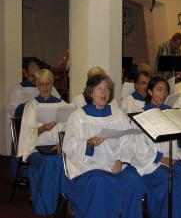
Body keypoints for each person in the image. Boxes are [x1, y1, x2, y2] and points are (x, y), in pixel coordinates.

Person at [63, 74, 145, 218]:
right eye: (99, 88)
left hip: (115, 165)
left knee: (134, 179)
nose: (104, 93)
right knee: (101, 182)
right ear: (90, 92)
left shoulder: (118, 114)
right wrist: (88, 143)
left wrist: (122, 160)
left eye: (107, 89)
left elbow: (128, 139)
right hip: (90, 167)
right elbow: (70, 146)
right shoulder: (79, 117)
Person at [141, 75, 181, 218]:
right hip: (153, 162)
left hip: (173, 158)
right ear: (150, 92)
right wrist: (162, 158)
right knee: (174, 182)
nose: (163, 94)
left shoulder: (170, 111)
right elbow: (139, 146)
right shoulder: (142, 115)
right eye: (159, 90)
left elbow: (178, 142)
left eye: (166, 90)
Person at [17, 69, 67, 215]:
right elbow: (26, 133)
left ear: (52, 85)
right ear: (37, 85)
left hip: (56, 147)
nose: (45, 88)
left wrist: (62, 143)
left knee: (63, 159)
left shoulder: (62, 104)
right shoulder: (31, 106)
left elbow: (69, 129)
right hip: (35, 148)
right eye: (41, 84)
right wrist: (42, 129)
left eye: (48, 84)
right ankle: (50, 207)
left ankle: (63, 203)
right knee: (50, 162)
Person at [7, 60, 60, 186]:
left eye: (47, 84)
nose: (44, 87)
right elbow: (13, 110)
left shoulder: (55, 97)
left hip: (53, 141)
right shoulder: (18, 90)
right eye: (33, 76)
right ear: (26, 74)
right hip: (32, 136)